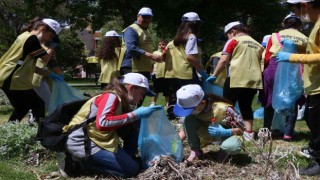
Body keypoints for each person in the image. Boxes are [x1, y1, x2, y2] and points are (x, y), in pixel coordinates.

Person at [64, 73, 162, 177]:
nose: (142, 98)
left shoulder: (121, 100)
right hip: (83, 142)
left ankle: (129, 157)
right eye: (142, 93)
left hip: (99, 139)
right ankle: (79, 163)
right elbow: (103, 123)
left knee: (135, 122)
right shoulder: (111, 97)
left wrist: (136, 116)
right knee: (131, 170)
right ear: (132, 88)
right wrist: (135, 114)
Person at [276, 0, 320, 175]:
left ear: (305, 5)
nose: (296, 13)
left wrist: (292, 57)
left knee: (317, 124)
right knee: (311, 118)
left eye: (295, 9)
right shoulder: (316, 25)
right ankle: (316, 151)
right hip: (315, 84)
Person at [207, 21, 264, 141]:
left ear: (233, 31)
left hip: (236, 78)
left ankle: (228, 131)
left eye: (227, 35)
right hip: (254, 80)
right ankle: (248, 133)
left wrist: (214, 75)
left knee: (227, 106)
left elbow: (223, 60)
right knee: (246, 106)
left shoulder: (233, 41)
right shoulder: (258, 44)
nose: (227, 38)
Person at [0, 17, 62, 122]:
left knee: (22, 108)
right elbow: (46, 58)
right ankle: (39, 133)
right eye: (50, 36)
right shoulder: (31, 39)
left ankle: (7, 131)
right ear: (43, 28)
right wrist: (52, 46)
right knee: (38, 105)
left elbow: (31, 67)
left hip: (8, 76)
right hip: (13, 78)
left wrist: (49, 74)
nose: (48, 40)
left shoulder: (25, 36)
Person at [260, 14, 308, 141]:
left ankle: (266, 130)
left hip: (274, 66)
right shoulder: (305, 38)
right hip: (295, 70)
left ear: (284, 23)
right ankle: (288, 134)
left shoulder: (275, 36)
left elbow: (267, 55)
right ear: (299, 25)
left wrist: (264, 71)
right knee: (292, 100)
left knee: (269, 100)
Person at [173, 84, 245, 161]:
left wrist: (227, 132)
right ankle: (196, 151)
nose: (189, 112)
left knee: (231, 147)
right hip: (208, 133)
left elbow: (243, 128)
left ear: (202, 103)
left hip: (229, 135)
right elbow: (187, 127)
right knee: (186, 118)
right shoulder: (193, 112)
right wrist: (175, 142)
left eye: (190, 110)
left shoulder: (224, 109)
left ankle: (225, 151)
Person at [165, 12, 208, 119]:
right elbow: (190, 56)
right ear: (194, 24)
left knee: (184, 96)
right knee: (197, 96)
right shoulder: (191, 37)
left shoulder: (178, 37)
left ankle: (181, 117)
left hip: (179, 72)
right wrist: (201, 70)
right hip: (188, 71)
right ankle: (196, 118)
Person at [120, 7, 163, 77]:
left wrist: (151, 62)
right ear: (138, 16)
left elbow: (147, 48)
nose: (147, 20)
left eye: (149, 17)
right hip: (132, 68)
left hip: (143, 68)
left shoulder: (146, 31)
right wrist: (151, 56)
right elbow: (131, 48)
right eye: (144, 17)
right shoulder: (131, 30)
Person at [150, 39, 169, 106]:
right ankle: (153, 103)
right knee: (155, 90)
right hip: (156, 74)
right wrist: (151, 73)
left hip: (166, 74)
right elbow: (152, 64)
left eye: (163, 44)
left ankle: (167, 104)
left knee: (167, 91)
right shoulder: (155, 53)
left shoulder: (169, 54)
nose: (161, 46)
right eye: (159, 44)